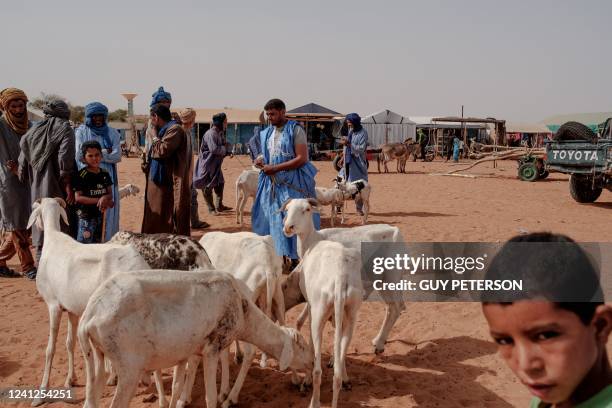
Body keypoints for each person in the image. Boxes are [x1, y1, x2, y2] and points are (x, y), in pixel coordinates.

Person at [482, 233, 611, 408]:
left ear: (600, 326)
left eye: (545, 336)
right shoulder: (548, 398)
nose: (526, 365)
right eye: (504, 340)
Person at [251, 98, 319, 264]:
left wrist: (275, 168)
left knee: (295, 219)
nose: (270, 117)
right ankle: (279, 257)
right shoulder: (267, 133)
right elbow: (268, 154)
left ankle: (298, 260)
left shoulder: (295, 130)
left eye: (273, 114)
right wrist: (260, 161)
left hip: (293, 183)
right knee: (272, 219)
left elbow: (302, 159)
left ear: (282, 112)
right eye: (267, 114)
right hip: (271, 185)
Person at [19, 99, 75, 271]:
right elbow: (65, 158)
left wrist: (25, 175)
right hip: (56, 184)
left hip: (36, 185)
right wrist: (67, 184)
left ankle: (40, 264)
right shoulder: (65, 128)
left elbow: (22, 160)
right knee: (57, 221)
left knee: (40, 221)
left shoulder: (32, 130)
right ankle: (56, 268)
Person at [0, 88, 36, 279]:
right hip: (9, 183)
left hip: (29, 180)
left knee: (27, 224)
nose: (18, 109)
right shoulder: (1, 125)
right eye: (13, 106)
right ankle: (28, 267)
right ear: (5, 107)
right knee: (16, 224)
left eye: (20, 105)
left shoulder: (30, 126)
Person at [74, 102, 121, 241]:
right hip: (87, 179)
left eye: (101, 116)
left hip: (107, 177)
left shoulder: (112, 132)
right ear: (89, 117)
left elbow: (117, 156)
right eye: (95, 116)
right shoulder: (81, 131)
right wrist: (107, 152)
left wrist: (99, 154)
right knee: (87, 226)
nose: (98, 119)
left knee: (108, 218)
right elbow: (79, 156)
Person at [141, 104, 191, 236]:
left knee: (168, 215)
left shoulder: (175, 130)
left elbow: (162, 151)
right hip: (158, 179)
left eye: (151, 118)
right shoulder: (163, 130)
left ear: (156, 117)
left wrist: (154, 136)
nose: (151, 123)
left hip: (169, 182)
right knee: (156, 215)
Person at [72, 141, 114, 243]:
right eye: (90, 156)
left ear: (101, 155)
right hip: (86, 218)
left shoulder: (105, 174)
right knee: (84, 247)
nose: (94, 158)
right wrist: (100, 200)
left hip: (101, 216)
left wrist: (106, 198)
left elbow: (110, 194)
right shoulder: (81, 175)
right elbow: (78, 197)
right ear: (84, 158)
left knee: (98, 246)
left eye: (97, 155)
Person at [193, 112, 232, 215]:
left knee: (220, 183)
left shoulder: (220, 133)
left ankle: (219, 206)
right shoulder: (211, 134)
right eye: (225, 122)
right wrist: (225, 149)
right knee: (207, 186)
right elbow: (214, 149)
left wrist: (228, 150)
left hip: (216, 164)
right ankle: (211, 209)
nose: (226, 124)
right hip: (207, 164)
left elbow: (222, 145)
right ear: (220, 123)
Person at [179, 108, 209, 229]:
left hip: (188, 173)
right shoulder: (181, 134)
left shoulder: (187, 133)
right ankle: (192, 223)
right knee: (189, 198)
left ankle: (192, 221)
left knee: (192, 197)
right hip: (183, 174)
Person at [338, 112, 368, 215]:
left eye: (350, 123)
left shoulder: (363, 133)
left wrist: (349, 144)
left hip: (357, 164)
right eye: (348, 123)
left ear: (355, 122)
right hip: (347, 161)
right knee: (341, 182)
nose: (348, 125)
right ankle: (339, 205)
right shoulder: (351, 131)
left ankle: (359, 209)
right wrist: (343, 157)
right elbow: (346, 146)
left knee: (358, 186)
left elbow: (361, 148)